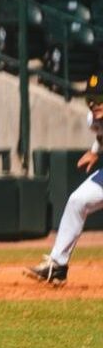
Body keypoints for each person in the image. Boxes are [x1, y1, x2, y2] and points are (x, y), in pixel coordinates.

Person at [26, 75, 103, 287]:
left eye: (99, 97)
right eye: (90, 98)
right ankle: (57, 266)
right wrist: (95, 152)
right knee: (77, 201)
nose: (94, 103)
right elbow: (101, 133)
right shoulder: (93, 118)